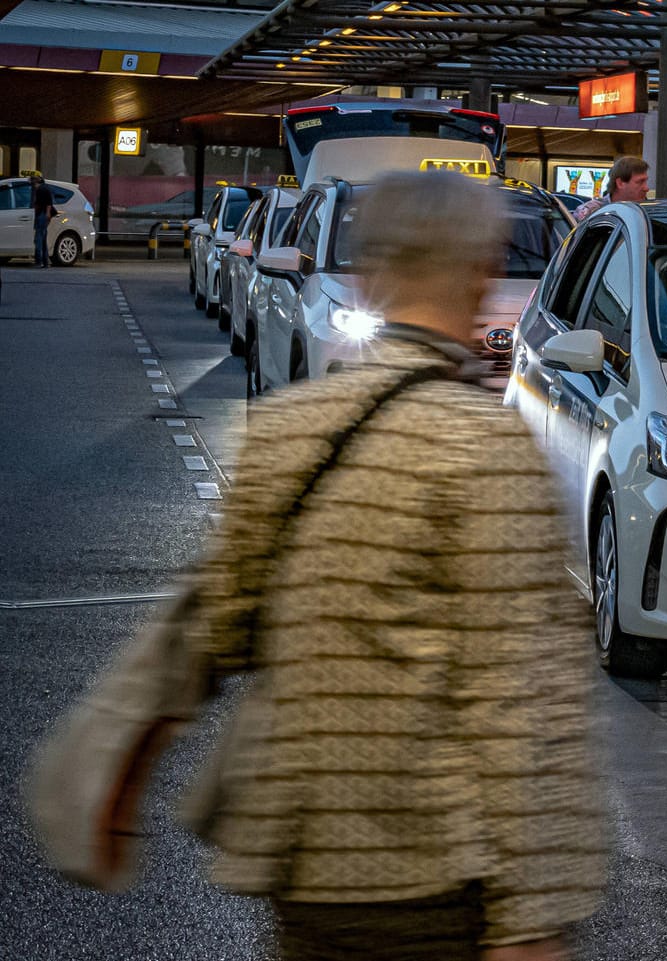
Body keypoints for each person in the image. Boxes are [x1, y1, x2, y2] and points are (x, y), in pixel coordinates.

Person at [32, 171, 607, 960]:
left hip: (302, 869)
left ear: (370, 274)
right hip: (431, 876)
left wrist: (119, 755)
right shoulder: (487, 450)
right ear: (479, 276)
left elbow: (212, 626)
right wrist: (531, 915)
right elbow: (519, 702)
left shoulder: (288, 428)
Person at [572, 155, 649, 223]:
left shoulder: (650, 210)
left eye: (645, 181)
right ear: (620, 183)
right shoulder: (592, 212)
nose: (646, 188)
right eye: (640, 182)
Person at [31, 173, 55, 268]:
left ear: (35, 182)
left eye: (32, 183)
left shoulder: (41, 190)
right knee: (43, 238)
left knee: (38, 239)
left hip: (42, 215)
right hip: (43, 215)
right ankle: (45, 262)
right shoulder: (44, 189)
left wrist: (47, 213)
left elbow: (48, 203)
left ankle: (39, 261)